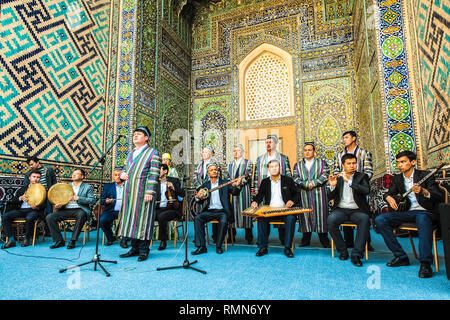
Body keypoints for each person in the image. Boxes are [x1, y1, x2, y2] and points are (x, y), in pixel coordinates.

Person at [375, 150, 445, 278]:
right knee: (380, 220)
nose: (400, 165)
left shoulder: (426, 175)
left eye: (403, 162)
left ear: (412, 162)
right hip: (409, 212)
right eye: (398, 163)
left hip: (426, 212)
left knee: (422, 218)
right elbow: (388, 193)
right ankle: (400, 256)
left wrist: (423, 191)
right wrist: (388, 198)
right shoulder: (398, 179)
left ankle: (425, 263)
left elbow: (439, 196)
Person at [117, 126, 161, 262]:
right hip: (130, 193)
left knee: (143, 220)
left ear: (146, 138)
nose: (135, 136)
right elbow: (126, 169)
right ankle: (134, 248)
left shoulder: (153, 153)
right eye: (134, 134)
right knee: (131, 219)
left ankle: (144, 250)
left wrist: (150, 191)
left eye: (139, 134)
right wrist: (123, 174)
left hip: (143, 193)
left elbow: (154, 173)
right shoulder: (131, 154)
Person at [327, 153, 371, 267]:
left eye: (354, 163)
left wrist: (349, 181)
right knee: (330, 220)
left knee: (365, 219)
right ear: (343, 165)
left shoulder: (362, 176)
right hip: (341, 210)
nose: (352, 166)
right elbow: (329, 197)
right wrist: (332, 186)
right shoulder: (338, 178)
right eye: (349, 163)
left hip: (357, 210)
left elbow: (366, 191)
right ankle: (343, 250)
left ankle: (356, 254)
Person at [332, 130, 374, 250]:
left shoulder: (363, 153)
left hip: (359, 188)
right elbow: (336, 171)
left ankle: (366, 243)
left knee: (362, 213)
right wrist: (340, 180)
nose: (344, 140)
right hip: (344, 187)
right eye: (343, 138)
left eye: (346, 137)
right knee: (344, 208)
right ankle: (348, 242)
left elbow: (369, 171)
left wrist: (358, 182)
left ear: (354, 138)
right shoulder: (339, 155)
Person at [251, 159, 300, 258]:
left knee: (291, 218)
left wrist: (292, 201)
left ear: (280, 168)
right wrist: (255, 201)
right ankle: (263, 247)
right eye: (271, 167)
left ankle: (287, 248)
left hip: (285, 210)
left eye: (276, 166)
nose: (274, 168)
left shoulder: (288, 180)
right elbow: (260, 195)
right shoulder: (265, 182)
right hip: (270, 211)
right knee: (261, 218)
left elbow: (297, 194)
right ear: (268, 169)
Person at [192, 163, 242, 255]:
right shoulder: (205, 185)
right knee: (198, 218)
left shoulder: (225, 183)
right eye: (211, 170)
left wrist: (237, 185)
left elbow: (235, 192)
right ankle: (201, 246)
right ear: (208, 173)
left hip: (222, 211)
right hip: (209, 210)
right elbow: (199, 202)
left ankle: (219, 246)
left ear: (218, 171)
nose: (214, 171)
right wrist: (197, 197)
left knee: (223, 221)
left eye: (215, 169)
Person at [252, 135, 292, 245]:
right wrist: (255, 194)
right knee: (263, 216)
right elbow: (256, 177)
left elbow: (289, 176)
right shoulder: (260, 159)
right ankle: (263, 241)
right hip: (265, 189)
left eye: (271, 142)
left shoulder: (283, 158)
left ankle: (284, 240)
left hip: (280, 189)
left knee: (282, 213)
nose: (268, 144)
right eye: (266, 142)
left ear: (276, 144)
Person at [46, 168, 96, 249]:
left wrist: (78, 198)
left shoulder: (87, 187)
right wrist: (58, 205)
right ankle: (59, 240)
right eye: (73, 173)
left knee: (81, 214)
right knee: (49, 217)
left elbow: (92, 200)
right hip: (66, 209)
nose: (73, 175)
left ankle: (73, 240)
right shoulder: (66, 186)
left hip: (79, 209)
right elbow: (60, 199)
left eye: (76, 173)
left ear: (82, 176)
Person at [293, 143, 330, 248]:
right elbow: (295, 177)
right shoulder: (298, 165)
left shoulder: (322, 163)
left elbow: (325, 175)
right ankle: (306, 239)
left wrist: (312, 183)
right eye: (305, 150)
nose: (307, 152)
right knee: (305, 216)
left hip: (319, 193)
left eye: (309, 150)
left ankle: (324, 239)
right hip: (304, 194)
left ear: (314, 152)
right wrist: (305, 184)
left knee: (321, 216)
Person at [1, 169, 45, 248]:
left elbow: (44, 204)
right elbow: (14, 200)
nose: (36, 179)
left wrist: (37, 207)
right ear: (29, 178)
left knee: (30, 217)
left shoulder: (42, 190)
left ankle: (27, 239)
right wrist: (20, 198)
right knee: (5, 216)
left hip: (33, 210)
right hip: (21, 210)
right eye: (34, 177)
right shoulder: (23, 189)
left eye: (38, 177)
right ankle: (11, 240)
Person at [223, 144, 254, 244]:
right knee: (231, 212)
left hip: (244, 191)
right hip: (231, 192)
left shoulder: (248, 163)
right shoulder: (229, 164)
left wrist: (239, 182)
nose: (236, 152)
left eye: (238, 151)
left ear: (242, 152)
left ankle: (249, 236)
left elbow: (248, 175)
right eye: (234, 151)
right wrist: (232, 183)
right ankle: (232, 235)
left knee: (246, 212)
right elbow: (226, 176)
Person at [155, 164, 185, 250]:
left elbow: (183, 194)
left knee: (161, 217)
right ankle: (143, 240)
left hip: (172, 209)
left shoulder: (174, 181)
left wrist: (173, 187)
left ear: (165, 171)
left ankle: (163, 241)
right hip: (159, 208)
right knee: (148, 215)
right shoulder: (155, 182)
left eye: (159, 170)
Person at [99, 169, 125, 246]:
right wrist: (106, 201)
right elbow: (101, 200)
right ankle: (110, 238)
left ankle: (124, 240)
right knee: (103, 220)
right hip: (111, 210)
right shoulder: (108, 186)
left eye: (119, 175)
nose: (117, 177)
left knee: (129, 220)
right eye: (115, 175)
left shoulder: (128, 186)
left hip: (125, 210)